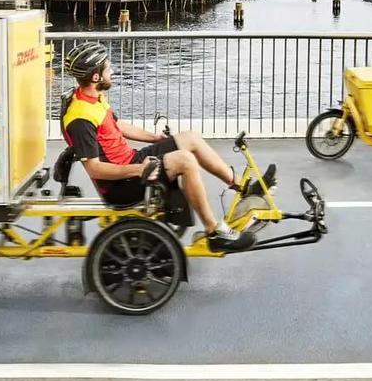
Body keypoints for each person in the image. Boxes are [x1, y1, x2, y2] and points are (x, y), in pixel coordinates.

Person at [60, 41, 264, 252]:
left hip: (131, 161)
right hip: (121, 185)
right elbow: (95, 168)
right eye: (107, 68)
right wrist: (140, 169)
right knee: (185, 160)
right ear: (96, 77)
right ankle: (214, 232)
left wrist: (154, 138)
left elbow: (117, 125)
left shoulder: (92, 97)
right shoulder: (80, 118)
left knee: (191, 138)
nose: (112, 70)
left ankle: (242, 187)